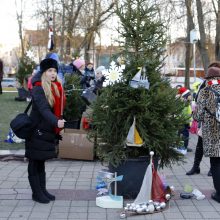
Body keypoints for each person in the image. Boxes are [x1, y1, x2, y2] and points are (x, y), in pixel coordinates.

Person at [27, 58, 66, 203]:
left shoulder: (55, 86)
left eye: (55, 71)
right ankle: (36, 194)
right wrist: (56, 122)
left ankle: (42, 190)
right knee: (34, 161)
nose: (53, 73)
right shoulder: (38, 88)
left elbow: (57, 109)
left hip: (45, 130)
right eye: (50, 70)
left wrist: (58, 124)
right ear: (43, 72)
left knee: (40, 161)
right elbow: (43, 110)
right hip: (36, 130)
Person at [194, 66, 220, 203]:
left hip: (213, 133)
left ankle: (219, 194)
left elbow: (198, 116)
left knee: (216, 163)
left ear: (208, 78)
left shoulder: (205, 91)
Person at [177, 87, 193, 153]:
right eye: (190, 95)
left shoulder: (186, 102)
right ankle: (183, 148)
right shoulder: (183, 103)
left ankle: (182, 147)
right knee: (184, 135)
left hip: (185, 122)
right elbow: (183, 113)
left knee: (182, 134)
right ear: (185, 96)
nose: (191, 96)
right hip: (183, 122)